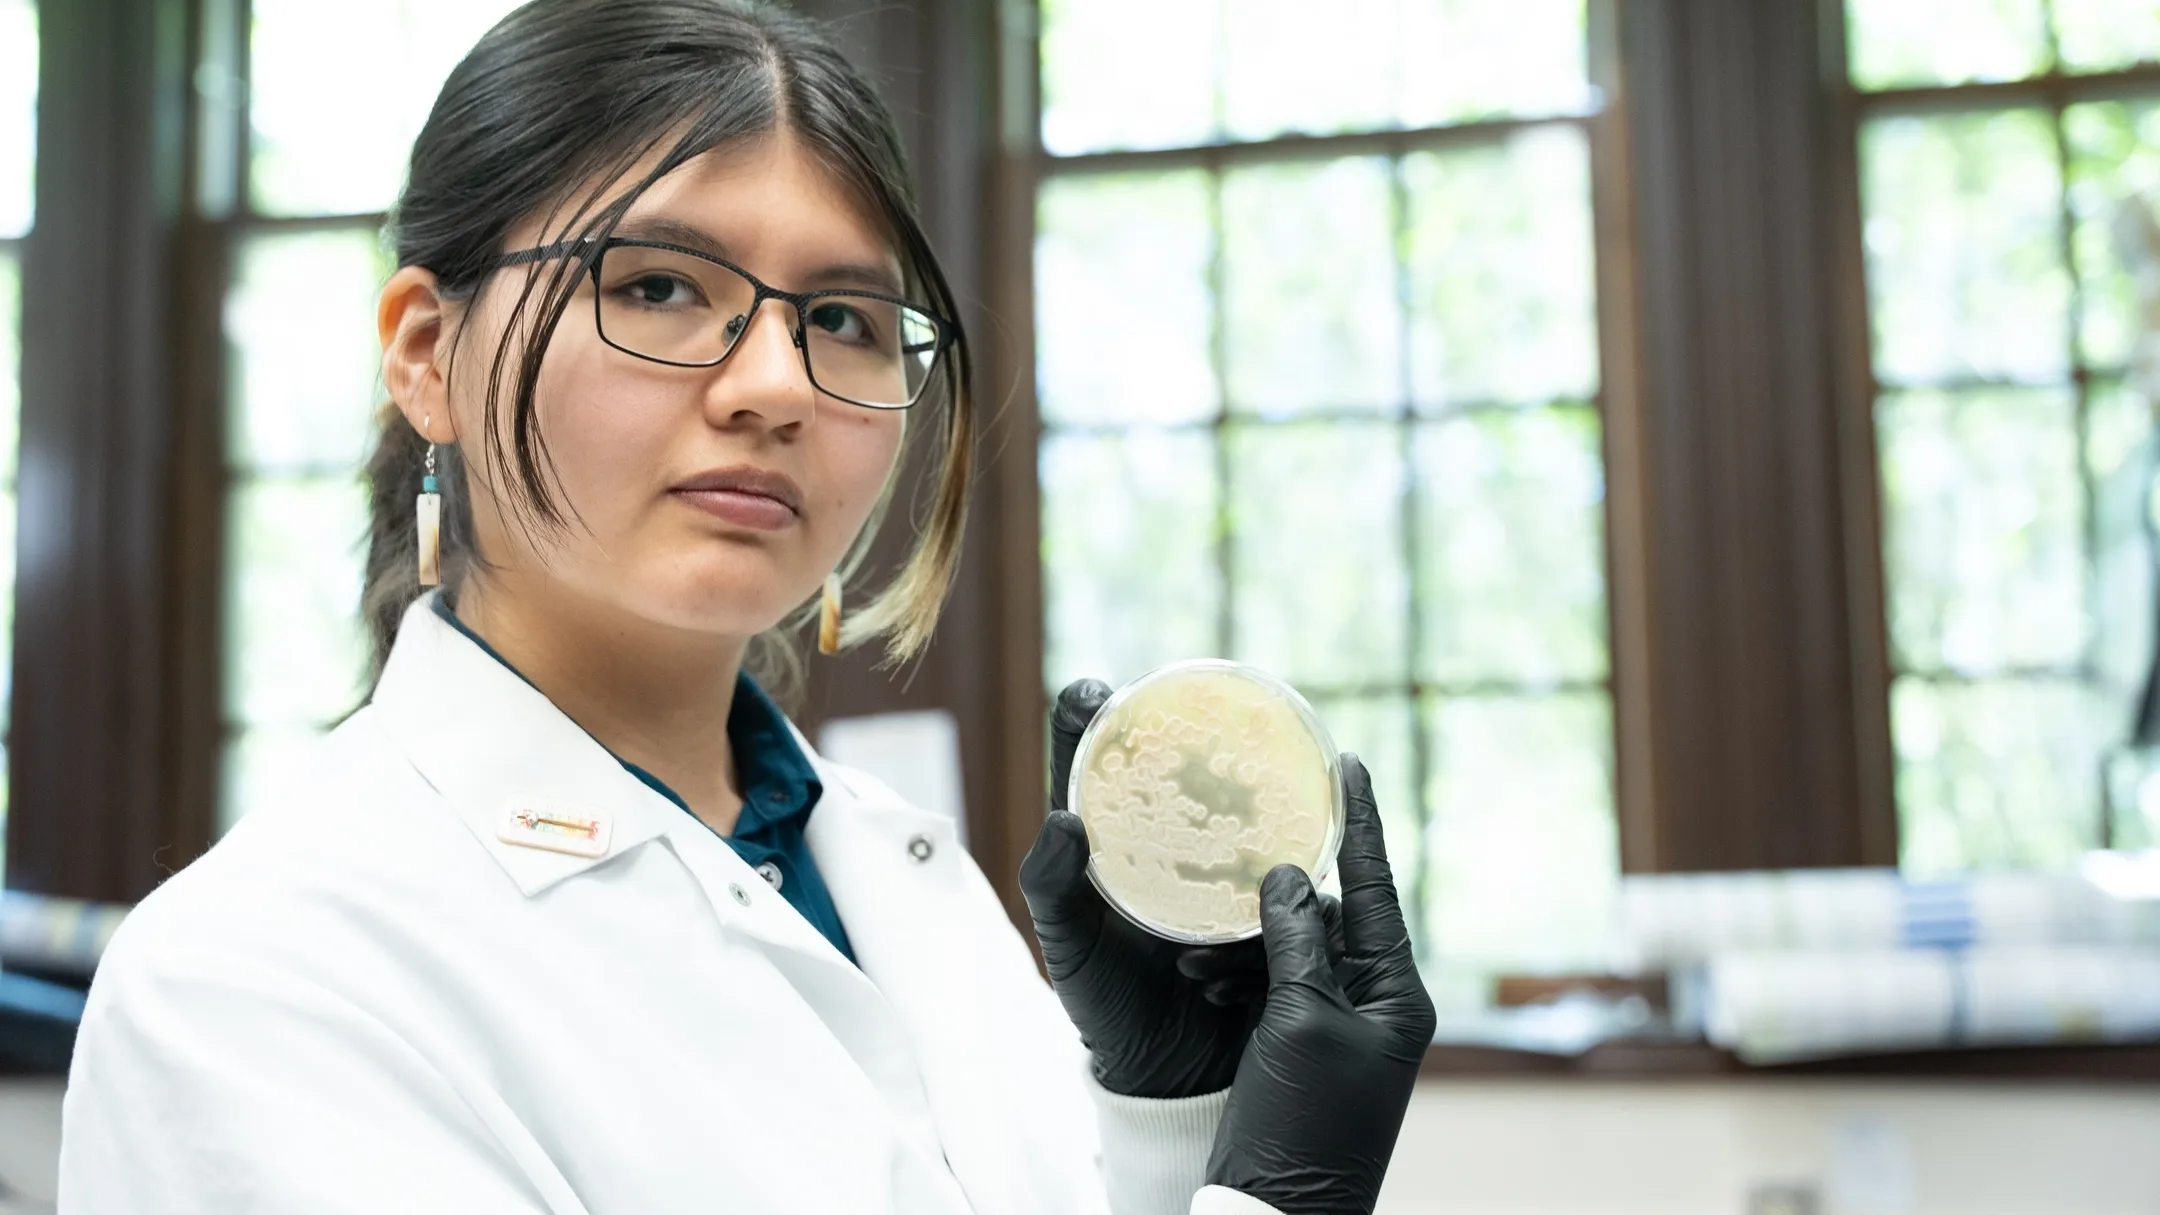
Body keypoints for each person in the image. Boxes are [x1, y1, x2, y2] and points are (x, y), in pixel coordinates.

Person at [55, 2, 1436, 1212]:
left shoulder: (905, 879)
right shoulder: (254, 980)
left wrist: (1172, 1121)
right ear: (427, 354)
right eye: (658, 285)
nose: (775, 385)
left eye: (841, 319)